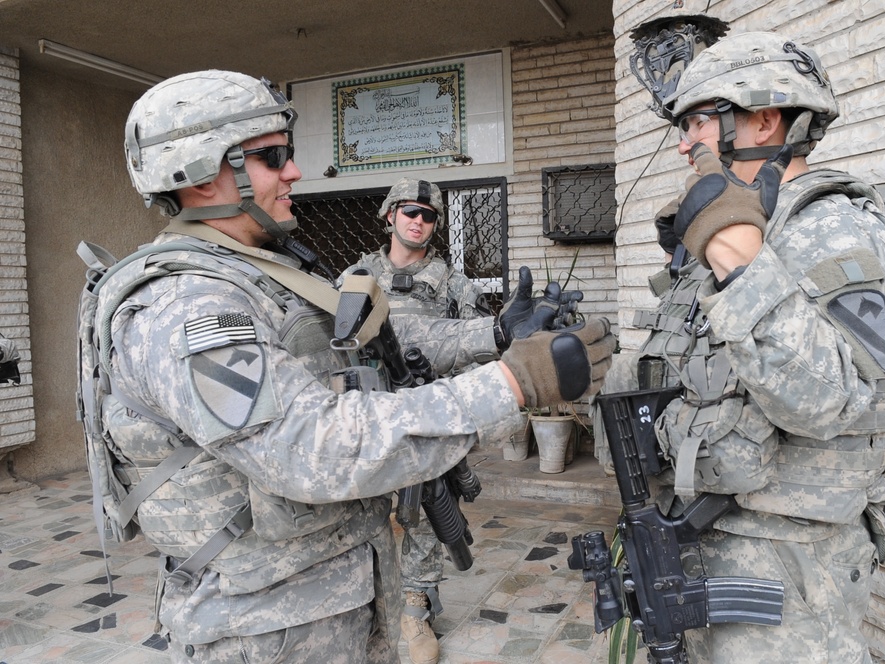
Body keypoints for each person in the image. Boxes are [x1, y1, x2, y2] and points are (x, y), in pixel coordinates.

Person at [90, 69, 615, 664]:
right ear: (203, 170)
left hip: (324, 599)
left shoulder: (263, 275)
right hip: (265, 626)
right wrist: (513, 385)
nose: (293, 172)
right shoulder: (190, 305)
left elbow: (389, 343)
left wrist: (493, 333)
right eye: (273, 157)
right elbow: (309, 446)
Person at [599, 32, 885, 663]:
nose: (684, 141)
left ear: (764, 120)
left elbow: (830, 399)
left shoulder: (831, 228)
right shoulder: (733, 227)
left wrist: (742, 269)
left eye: (698, 120)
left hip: (792, 558)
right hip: (701, 529)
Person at [338, 177, 489, 664]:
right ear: (389, 216)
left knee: (423, 510)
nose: (418, 221)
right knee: (360, 509)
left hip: (426, 416)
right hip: (367, 415)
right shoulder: (357, 276)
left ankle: (416, 606)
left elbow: (475, 352)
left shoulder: (454, 284)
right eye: (409, 212)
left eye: (427, 215)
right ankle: (362, 600)